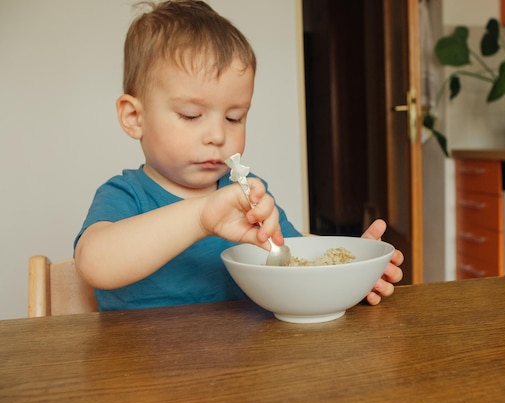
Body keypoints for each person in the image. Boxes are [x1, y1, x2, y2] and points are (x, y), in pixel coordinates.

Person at [74, 0, 403, 311]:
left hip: (241, 366)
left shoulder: (249, 197)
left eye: (234, 118)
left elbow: (293, 268)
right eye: (191, 115)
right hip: (136, 369)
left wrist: (351, 274)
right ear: (135, 117)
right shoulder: (125, 195)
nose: (218, 135)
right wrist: (202, 217)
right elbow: (94, 264)